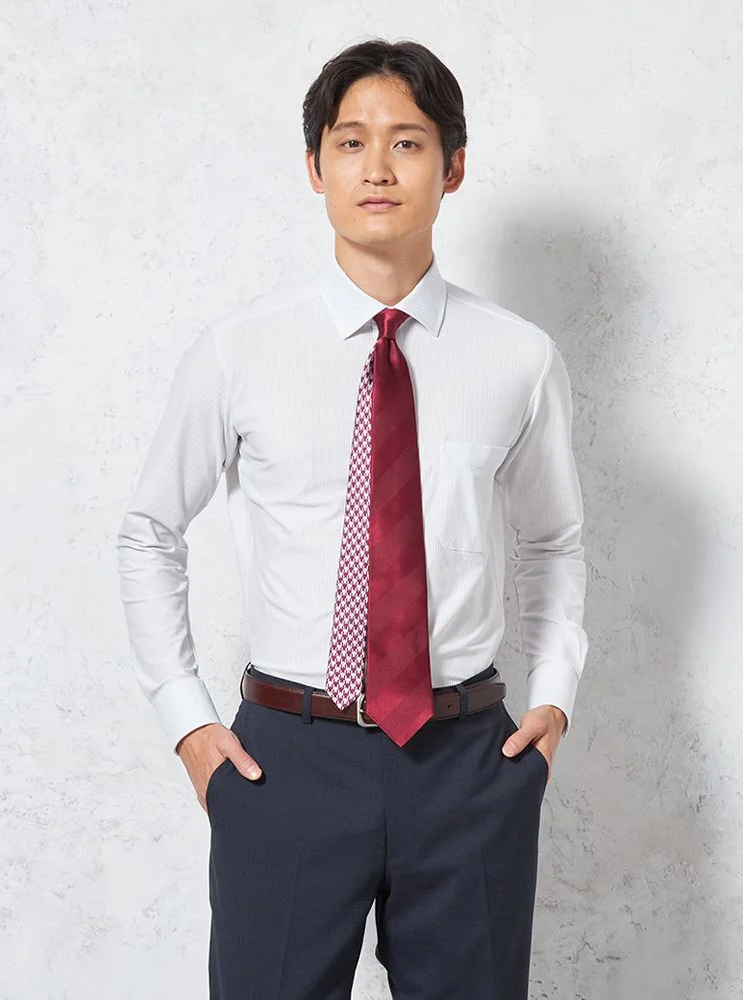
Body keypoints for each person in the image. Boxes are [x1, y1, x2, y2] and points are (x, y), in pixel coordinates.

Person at [116, 36, 589, 1000]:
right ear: (314, 167)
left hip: (468, 761)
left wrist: (552, 700)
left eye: (407, 143)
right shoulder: (241, 350)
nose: (377, 168)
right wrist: (187, 722)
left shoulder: (518, 358)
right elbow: (148, 530)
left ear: (454, 167)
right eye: (350, 142)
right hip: (285, 762)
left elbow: (553, 542)